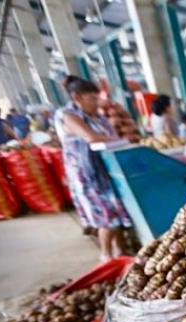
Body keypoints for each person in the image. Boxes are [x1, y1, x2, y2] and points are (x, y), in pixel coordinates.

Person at [56, 76, 132, 261]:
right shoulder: (68, 115)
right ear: (77, 97)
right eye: (92, 99)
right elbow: (90, 137)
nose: (96, 103)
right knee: (106, 218)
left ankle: (119, 253)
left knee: (117, 214)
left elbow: (108, 135)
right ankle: (106, 256)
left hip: (105, 171)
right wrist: (119, 140)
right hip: (88, 175)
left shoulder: (95, 116)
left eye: (97, 98)